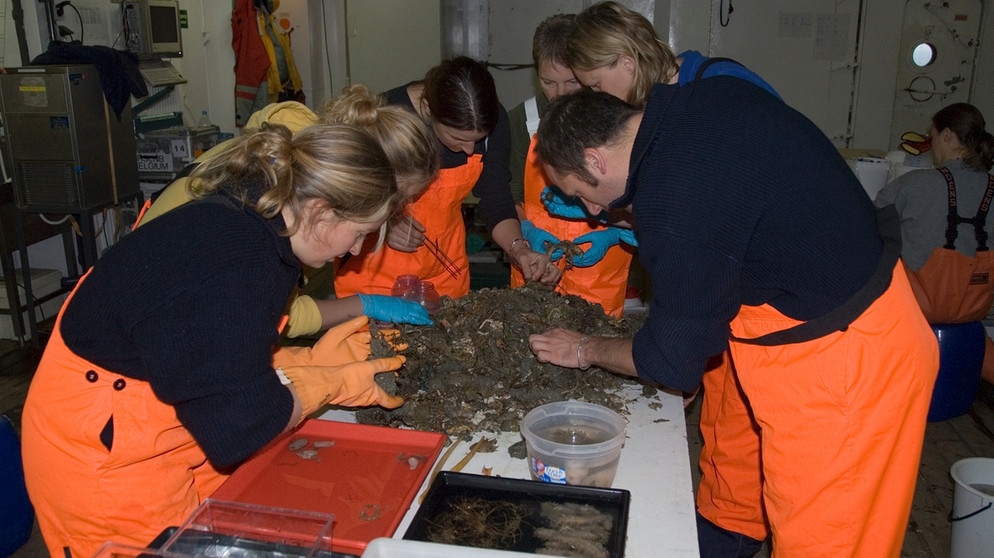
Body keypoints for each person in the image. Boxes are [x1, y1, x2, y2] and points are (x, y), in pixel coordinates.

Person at [530, 86, 938, 558]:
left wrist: (583, 349)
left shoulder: (674, 202)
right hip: (826, 302)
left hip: (848, 365)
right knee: (749, 484)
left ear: (596, 160)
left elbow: (670, 361)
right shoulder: (696, 103)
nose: (594, 212)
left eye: (581, 195)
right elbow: (734, 211)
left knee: (827, 540)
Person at [21, 123, 409, 557]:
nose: (357, 251)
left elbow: (209, 349)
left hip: (172, 415)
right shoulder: (237, 262)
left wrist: (310, 359)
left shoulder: (260, 223)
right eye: (359, 234)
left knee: (229, 527)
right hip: (105, 452)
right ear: (320, 210)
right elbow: (239, 429)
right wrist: (330, 383)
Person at [548, 4, 784, 554]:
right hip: (735, 297)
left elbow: (714, 219)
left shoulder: (716, 97)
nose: (590, 97)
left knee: (752, 427)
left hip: (784, 307)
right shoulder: (661, 118)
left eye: (590, 83)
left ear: (626, 62)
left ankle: (731, 531)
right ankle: (720, 522)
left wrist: (591, 349)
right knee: (726, 423)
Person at [138, 85, 441, 336]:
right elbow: (263, 319)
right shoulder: (271, 209)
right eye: (394, 201)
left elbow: (279, 312)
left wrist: (366, 304)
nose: (391, 213)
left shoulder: (303, 181)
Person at [335, 56, 559, 300]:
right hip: (375, 272)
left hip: (444, 272)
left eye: (478, 138)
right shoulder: (386, 120)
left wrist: (520, 249)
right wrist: (383, 223)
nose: (470, 150)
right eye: (458, 139)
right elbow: (342, 200)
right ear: (429, 111)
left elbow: (496, 200)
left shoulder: (492, 121)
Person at [507, 13, 634, 317]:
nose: (560, 93)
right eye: (548, 82)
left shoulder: (618, 117)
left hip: (601, 280)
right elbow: (507, 197)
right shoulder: (521, 121)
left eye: (571, 82)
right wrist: (527, 233)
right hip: (536, 271)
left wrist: (615, 234)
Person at [875, 103, 994, 385]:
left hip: (918, 307)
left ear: (949, 136)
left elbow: (874, 223)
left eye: (934, 136)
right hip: (974, 308)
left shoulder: (913, 184)